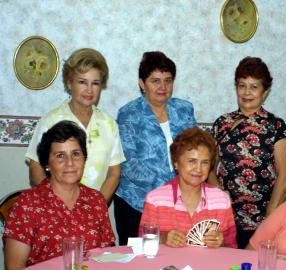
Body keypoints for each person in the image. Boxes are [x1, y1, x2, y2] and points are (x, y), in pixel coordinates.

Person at [3, 121, 115, 269]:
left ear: (84, 159)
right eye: (60, 156)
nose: (70, 163)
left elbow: (107, 256)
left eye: (75, 154)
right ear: (47, 164)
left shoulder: (96, 200)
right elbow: (14, 267)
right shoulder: (28, 204)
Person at [209, 57, 286, 248]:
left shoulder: (276, 126)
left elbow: (285, 176)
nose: (247, 92)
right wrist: (218, 193)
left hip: (262, 217)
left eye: (254, 87)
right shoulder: (222, 123)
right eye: (242, 85)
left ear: (265, 91)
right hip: (226, 215)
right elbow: (209, 168)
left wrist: (271, 216)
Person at [115, 51, 197, 245]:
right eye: (155, 81)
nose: (163, 87)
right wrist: (170, 187)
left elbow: (196, 149)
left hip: (179, 203)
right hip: (136, 204)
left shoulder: (184, 110)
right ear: (142, 83)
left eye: (168, 80)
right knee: (138, 261)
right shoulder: (128, 114)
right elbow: (129, 162)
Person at [25, 48, 125, 203]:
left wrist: (95, 209)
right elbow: (36, 169)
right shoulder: (50, 122)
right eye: (82, 82)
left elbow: (114, 173)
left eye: (95, 83)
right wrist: (58, 208)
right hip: (56, 214)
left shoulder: (109, 124)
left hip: (93, 215)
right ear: (69, 83)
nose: (89, 90)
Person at [139, 127, 237, 248]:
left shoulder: (222, 200)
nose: (198, 169)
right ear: (176, 162)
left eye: (205, 162)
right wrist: (163, 238)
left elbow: (232, 247)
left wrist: (221, 243)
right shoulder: (155, 200)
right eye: (192, 161)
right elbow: (142, 245)